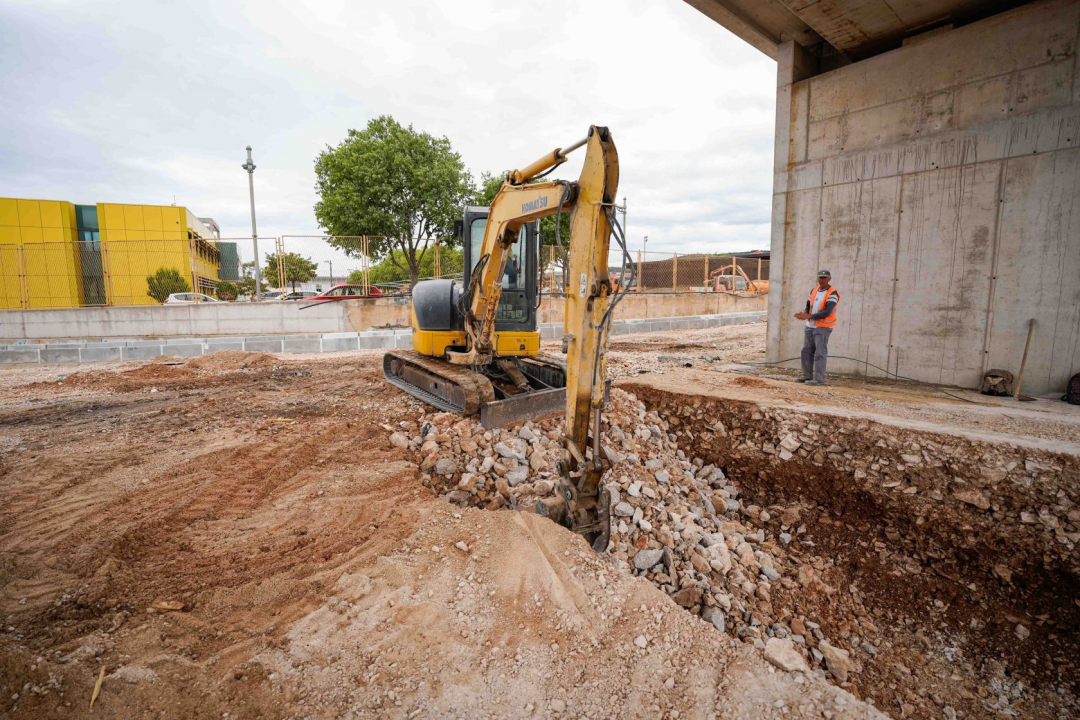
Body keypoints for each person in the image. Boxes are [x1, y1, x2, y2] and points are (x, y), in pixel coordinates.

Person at [793, 270, 839, 386]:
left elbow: (826, 312)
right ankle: (807, 376)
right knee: (806, 351)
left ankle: (819, 379)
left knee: (820, 353)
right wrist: (804, 315)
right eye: (820, 277)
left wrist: (808, 316)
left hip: (823, 327)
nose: (822, 280)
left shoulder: (832, 293)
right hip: (810, 326)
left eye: (824, 277)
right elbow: (808, 306)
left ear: (829, 279)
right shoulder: (813, 290)